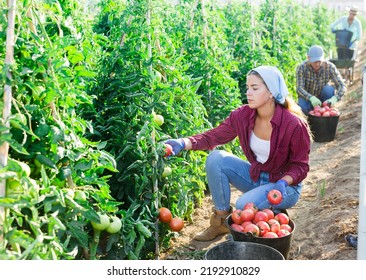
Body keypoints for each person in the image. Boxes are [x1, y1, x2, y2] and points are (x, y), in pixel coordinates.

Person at [165, 66, 312, 241]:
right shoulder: (242, 116)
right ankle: (221, 222)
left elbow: (301, 166)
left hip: (285, 187)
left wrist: (283, 182)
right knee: (216, 159)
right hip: (258, 177)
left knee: (243, 204)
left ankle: (265, 215)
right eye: (248, 87)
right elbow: (214, 137)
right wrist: (183, 143)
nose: (248, 92)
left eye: (255, 88)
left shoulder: (293, 124)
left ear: (271, 92)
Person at [296, 45, 346, 115]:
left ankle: (325, 111)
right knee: (302, 106)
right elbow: (299, 88)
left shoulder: (329, 67)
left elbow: (342, 85)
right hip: (308, 98)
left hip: (323, 98)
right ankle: (309, 117)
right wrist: (311, 97)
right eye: (314, 62)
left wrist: (335, 98)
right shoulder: (302, 68)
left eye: (319, 61)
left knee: (328, 90)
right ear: (308, 58)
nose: (317, 64)